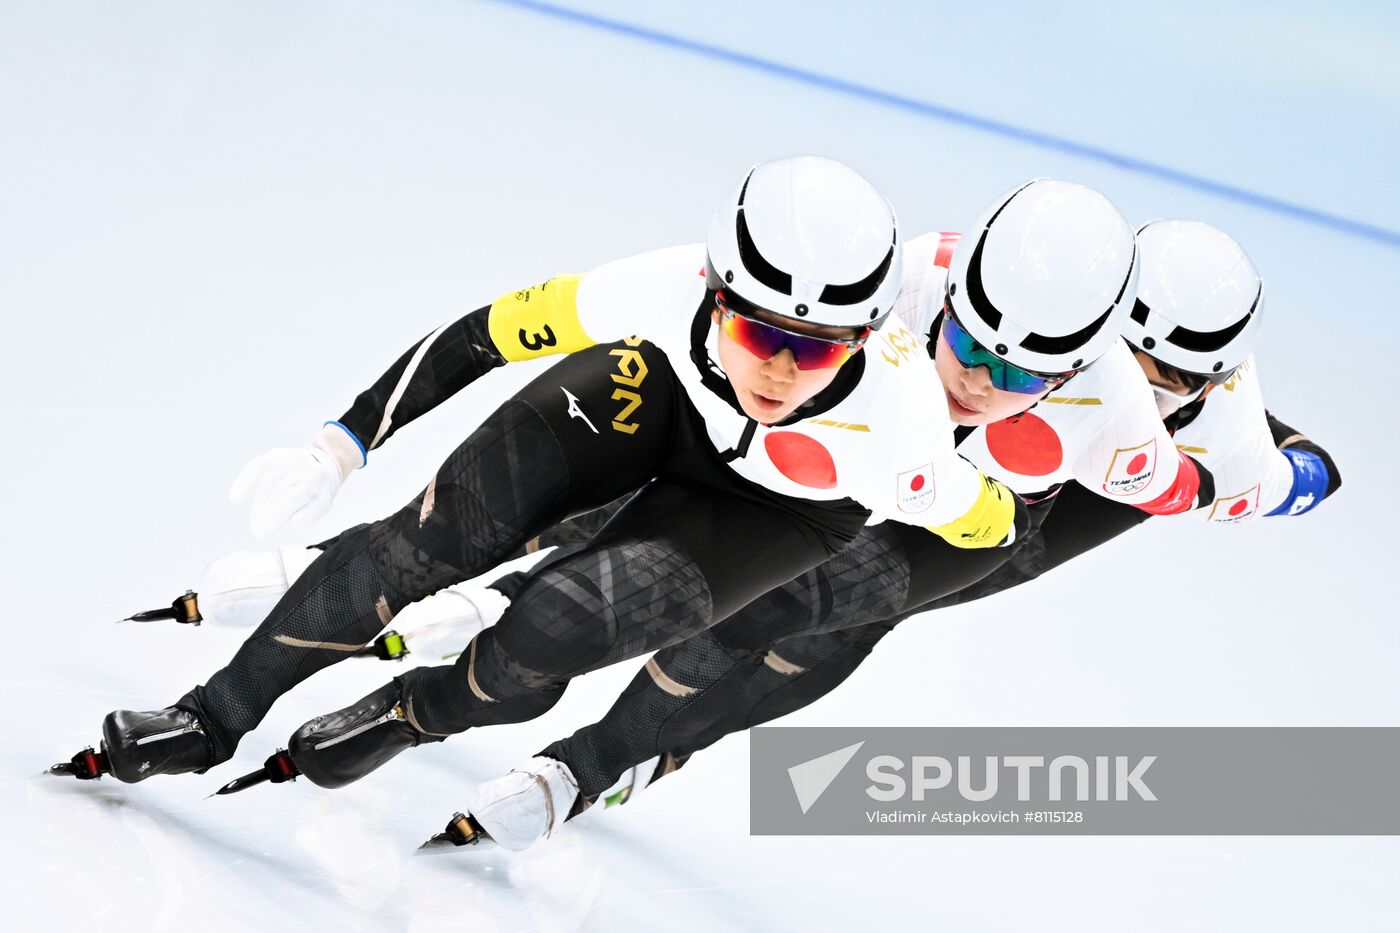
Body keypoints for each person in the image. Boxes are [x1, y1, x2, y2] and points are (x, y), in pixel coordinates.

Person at [59, 156, 1028, 789]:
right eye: (755, 331)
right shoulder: (653, 285)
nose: (776, 367)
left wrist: (976, 505)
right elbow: (479, 336)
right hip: (662, 405)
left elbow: (985, 525)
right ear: (712, 290)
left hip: (785, 508)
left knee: (550, 626)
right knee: (423, 544)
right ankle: (211, 713)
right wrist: (344, 441)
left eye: (813, 352)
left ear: (864, 338)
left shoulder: (900, 431)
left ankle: (411, 710)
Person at [305, 178, 1203, 851]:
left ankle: (601, 760)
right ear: (953, 288)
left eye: (1018, 375)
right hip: (861, 470)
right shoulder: (915, 271)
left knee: (786, 615)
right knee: (706, 507)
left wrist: (1264, 468)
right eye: (968, 343)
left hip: (965, 522)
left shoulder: (1123, 417)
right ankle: (509, 606)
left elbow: (1205, 488)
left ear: (1085, 363)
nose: (976, 380)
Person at [464, 218, 1338, 849]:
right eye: (1123, 366)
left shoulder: (1227, 426)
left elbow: (1309, 471)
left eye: (1166, 385)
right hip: (959, 441)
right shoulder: (1015, 296)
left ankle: (595, 762)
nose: (1134, 397)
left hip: (1027, 516)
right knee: (744, 494)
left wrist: (1260, 475)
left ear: (1212, 381)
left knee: (809, 613)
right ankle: (516, 586)